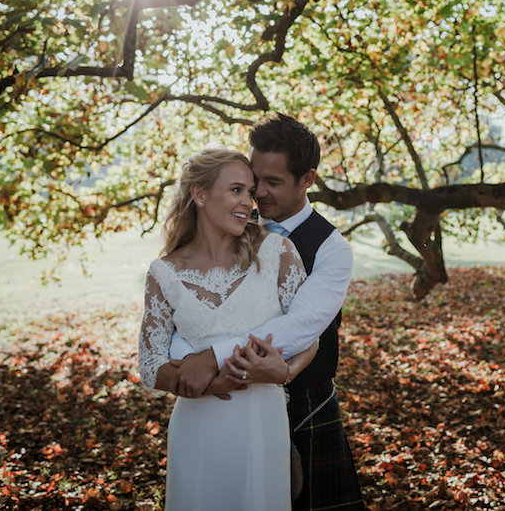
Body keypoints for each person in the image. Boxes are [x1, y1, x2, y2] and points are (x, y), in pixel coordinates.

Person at [170, 113, 366, 510]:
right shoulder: (229, 227)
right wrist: (192, 366)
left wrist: (212, 359)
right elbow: (187, 310)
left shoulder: (332, 250)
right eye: (255, 179)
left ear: (307, 180)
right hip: (229, 407)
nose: (258, 193)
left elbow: (298, 327)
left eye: (273, 183)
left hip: (307, 407)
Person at [137, 145, 319, 510]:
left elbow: (307, 338)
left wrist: (282, 373)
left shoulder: (278, 253)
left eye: (250, 192)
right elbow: (149, 364)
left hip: (261, 422)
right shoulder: (165, 272)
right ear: (200, 195)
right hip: (196, 426)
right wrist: (212, 384)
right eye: (236, 190)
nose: (249, 203)